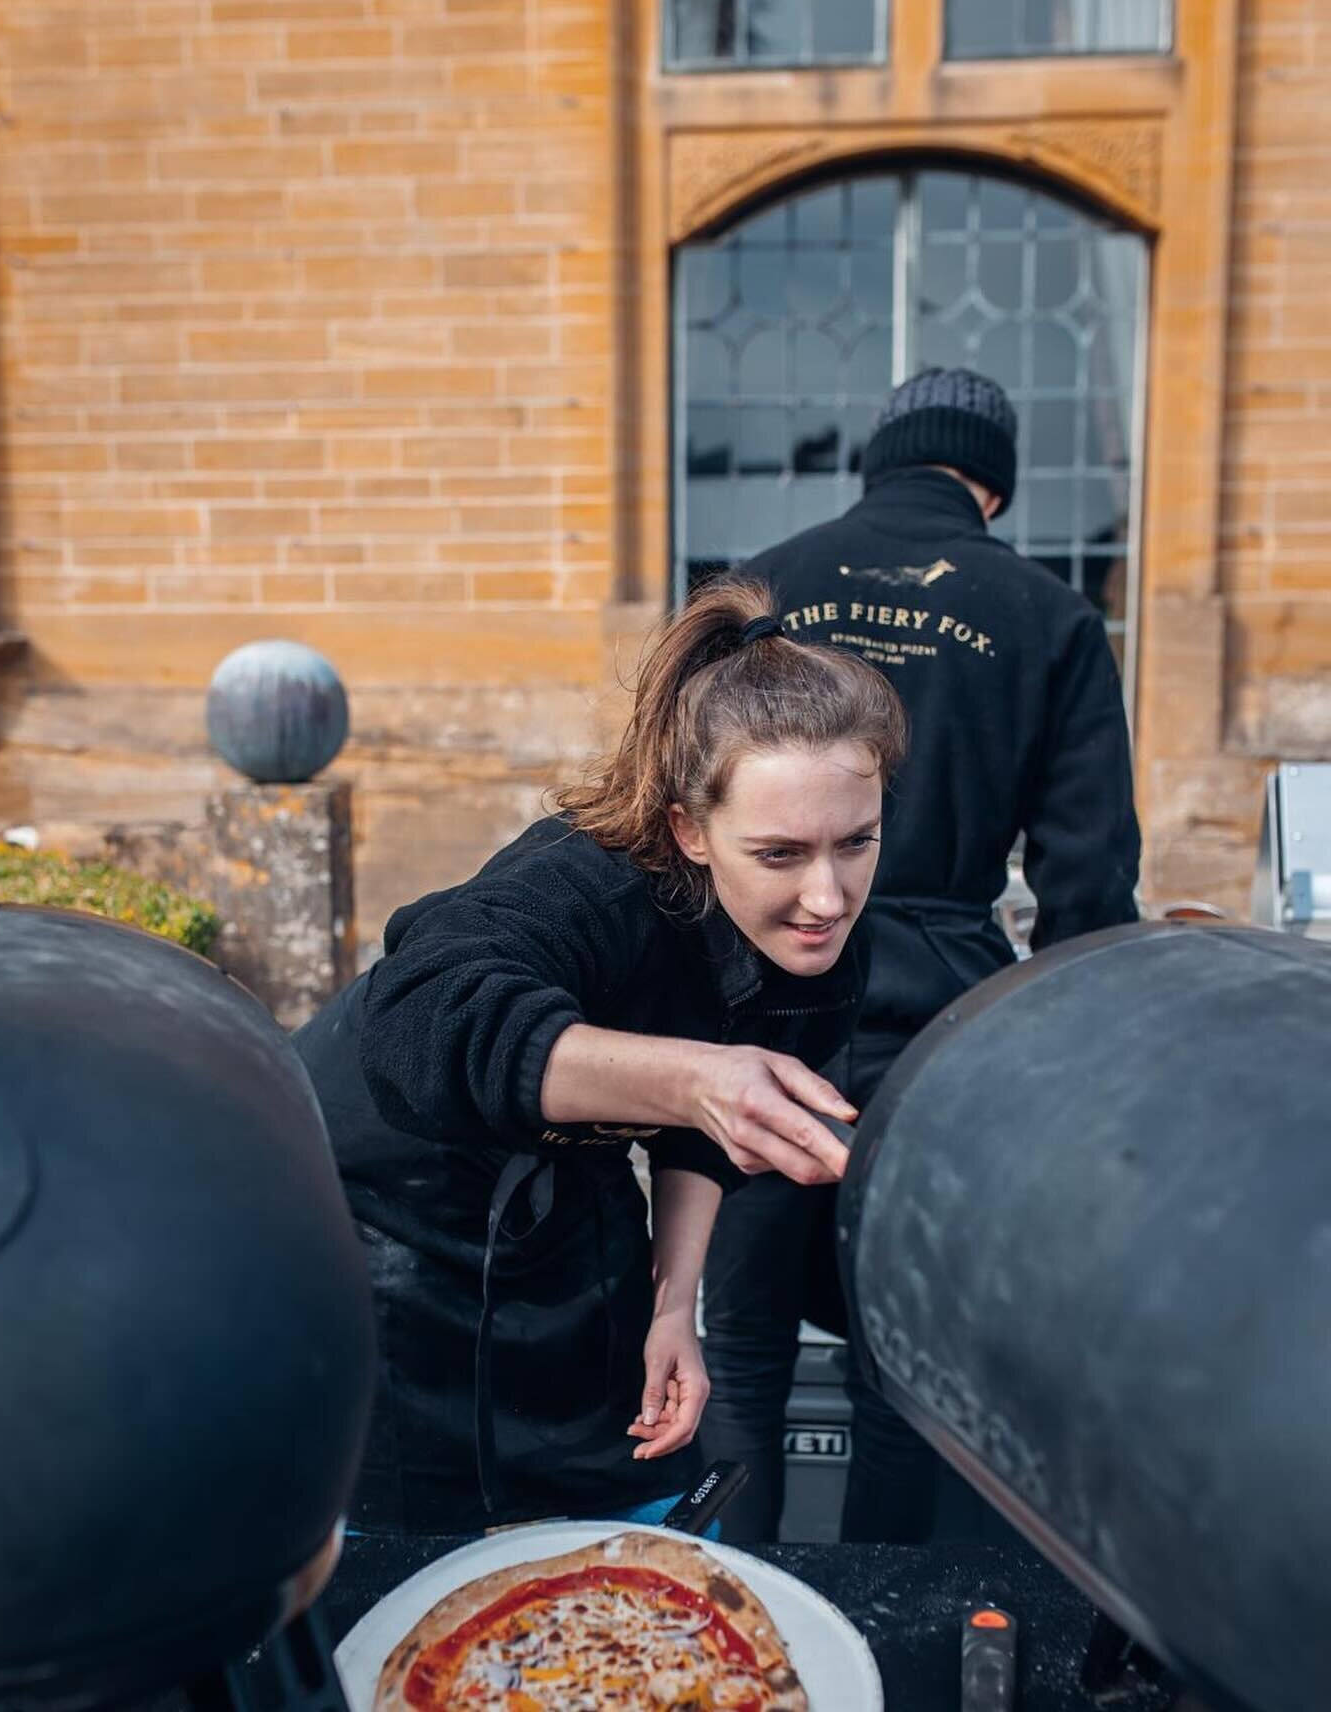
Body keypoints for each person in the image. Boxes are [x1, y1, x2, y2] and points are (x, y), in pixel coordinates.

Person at [293, 578, 908, 1535]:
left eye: (856, 843)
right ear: (689, 831)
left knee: (636, 1482)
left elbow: (706, 1139)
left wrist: (676, 1307)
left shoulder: (824, 942)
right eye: (780, 854)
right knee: (405, 1520)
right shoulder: (584, 888)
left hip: (562, 1185)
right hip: (370, 1196)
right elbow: (414, 1017)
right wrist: (697, 1077)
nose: (828, 898)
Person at [700, 365, 1142, 1544]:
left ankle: (737, 1616)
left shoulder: (762, 588)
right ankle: (887, 1625)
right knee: (900, 1369)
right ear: (990, 489)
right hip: (942, 1035)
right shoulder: (1049, 615)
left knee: (739, 1348)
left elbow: (681, 812)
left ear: (879, 464)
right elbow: (1087, 884)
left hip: (759, 1011)